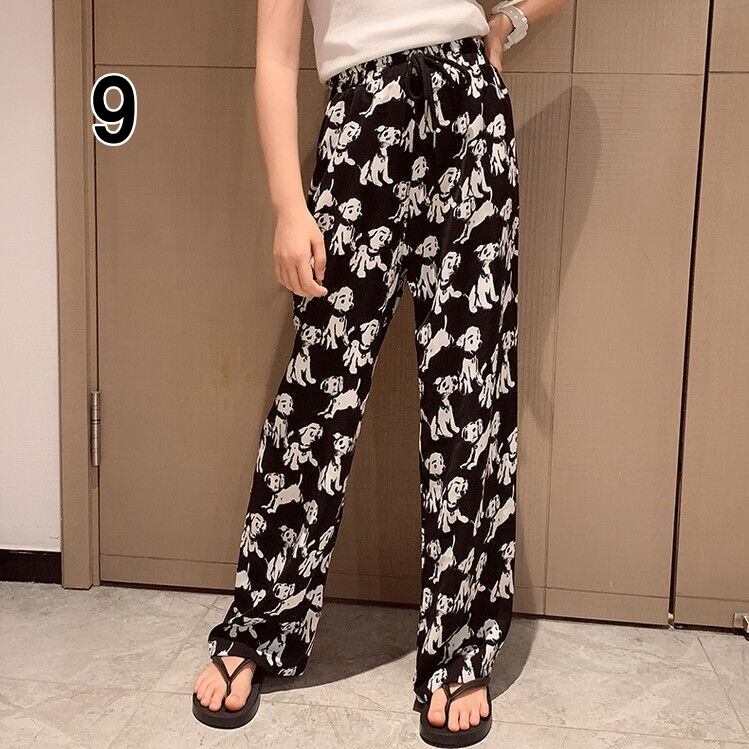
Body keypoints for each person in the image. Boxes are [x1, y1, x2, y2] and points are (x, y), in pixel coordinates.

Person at [192, 0, 567, 745]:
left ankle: (459, 644)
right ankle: (262, 623)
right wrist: (288, 206)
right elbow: (275, 55)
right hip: (361, 120)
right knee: (315, 397)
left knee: (469, 398)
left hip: (471, 119)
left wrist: (508, 24)